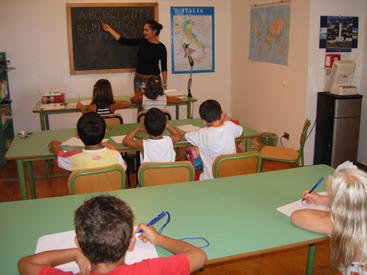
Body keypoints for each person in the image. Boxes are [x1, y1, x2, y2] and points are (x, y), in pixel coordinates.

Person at [18, 195, 207, 275]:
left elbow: (25, 264)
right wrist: (157, 239)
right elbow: (199, 256)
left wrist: (76, 253)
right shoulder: (149, 270)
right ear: (130, 242)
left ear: (79, 243)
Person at [291, 161, 367, 275]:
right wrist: (322, 200)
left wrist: (332, 211)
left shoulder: (337, 224)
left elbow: (297, 216)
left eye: (332, 195)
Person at [182, 100, 243, 180]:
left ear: (203, 121)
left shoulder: (201, 133)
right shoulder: (230, 126)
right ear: (222, 115)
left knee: (191, 176)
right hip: (230, 177)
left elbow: (184, 136)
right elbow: (241, 132)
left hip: (209, 179)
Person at [102, 20, 168, 94]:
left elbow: (164, 68)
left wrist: (164, 84)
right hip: (139, 79)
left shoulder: (161, 47)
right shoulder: (142, 42)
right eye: (144, 30)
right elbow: (123, 41)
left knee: (154, 103)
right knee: (139, 102)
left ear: (154, 31)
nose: (144, 32)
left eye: (147, 30)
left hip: (154, 81)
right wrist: (109, 29)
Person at [48, 112, 127, 171]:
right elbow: (123, 167)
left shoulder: (74, 157)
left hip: (83, 193)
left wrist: (54, 144)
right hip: (110, 193)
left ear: (77, 135)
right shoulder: (115, 155)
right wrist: (114, 148)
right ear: (105, 132)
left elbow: (59, 155)